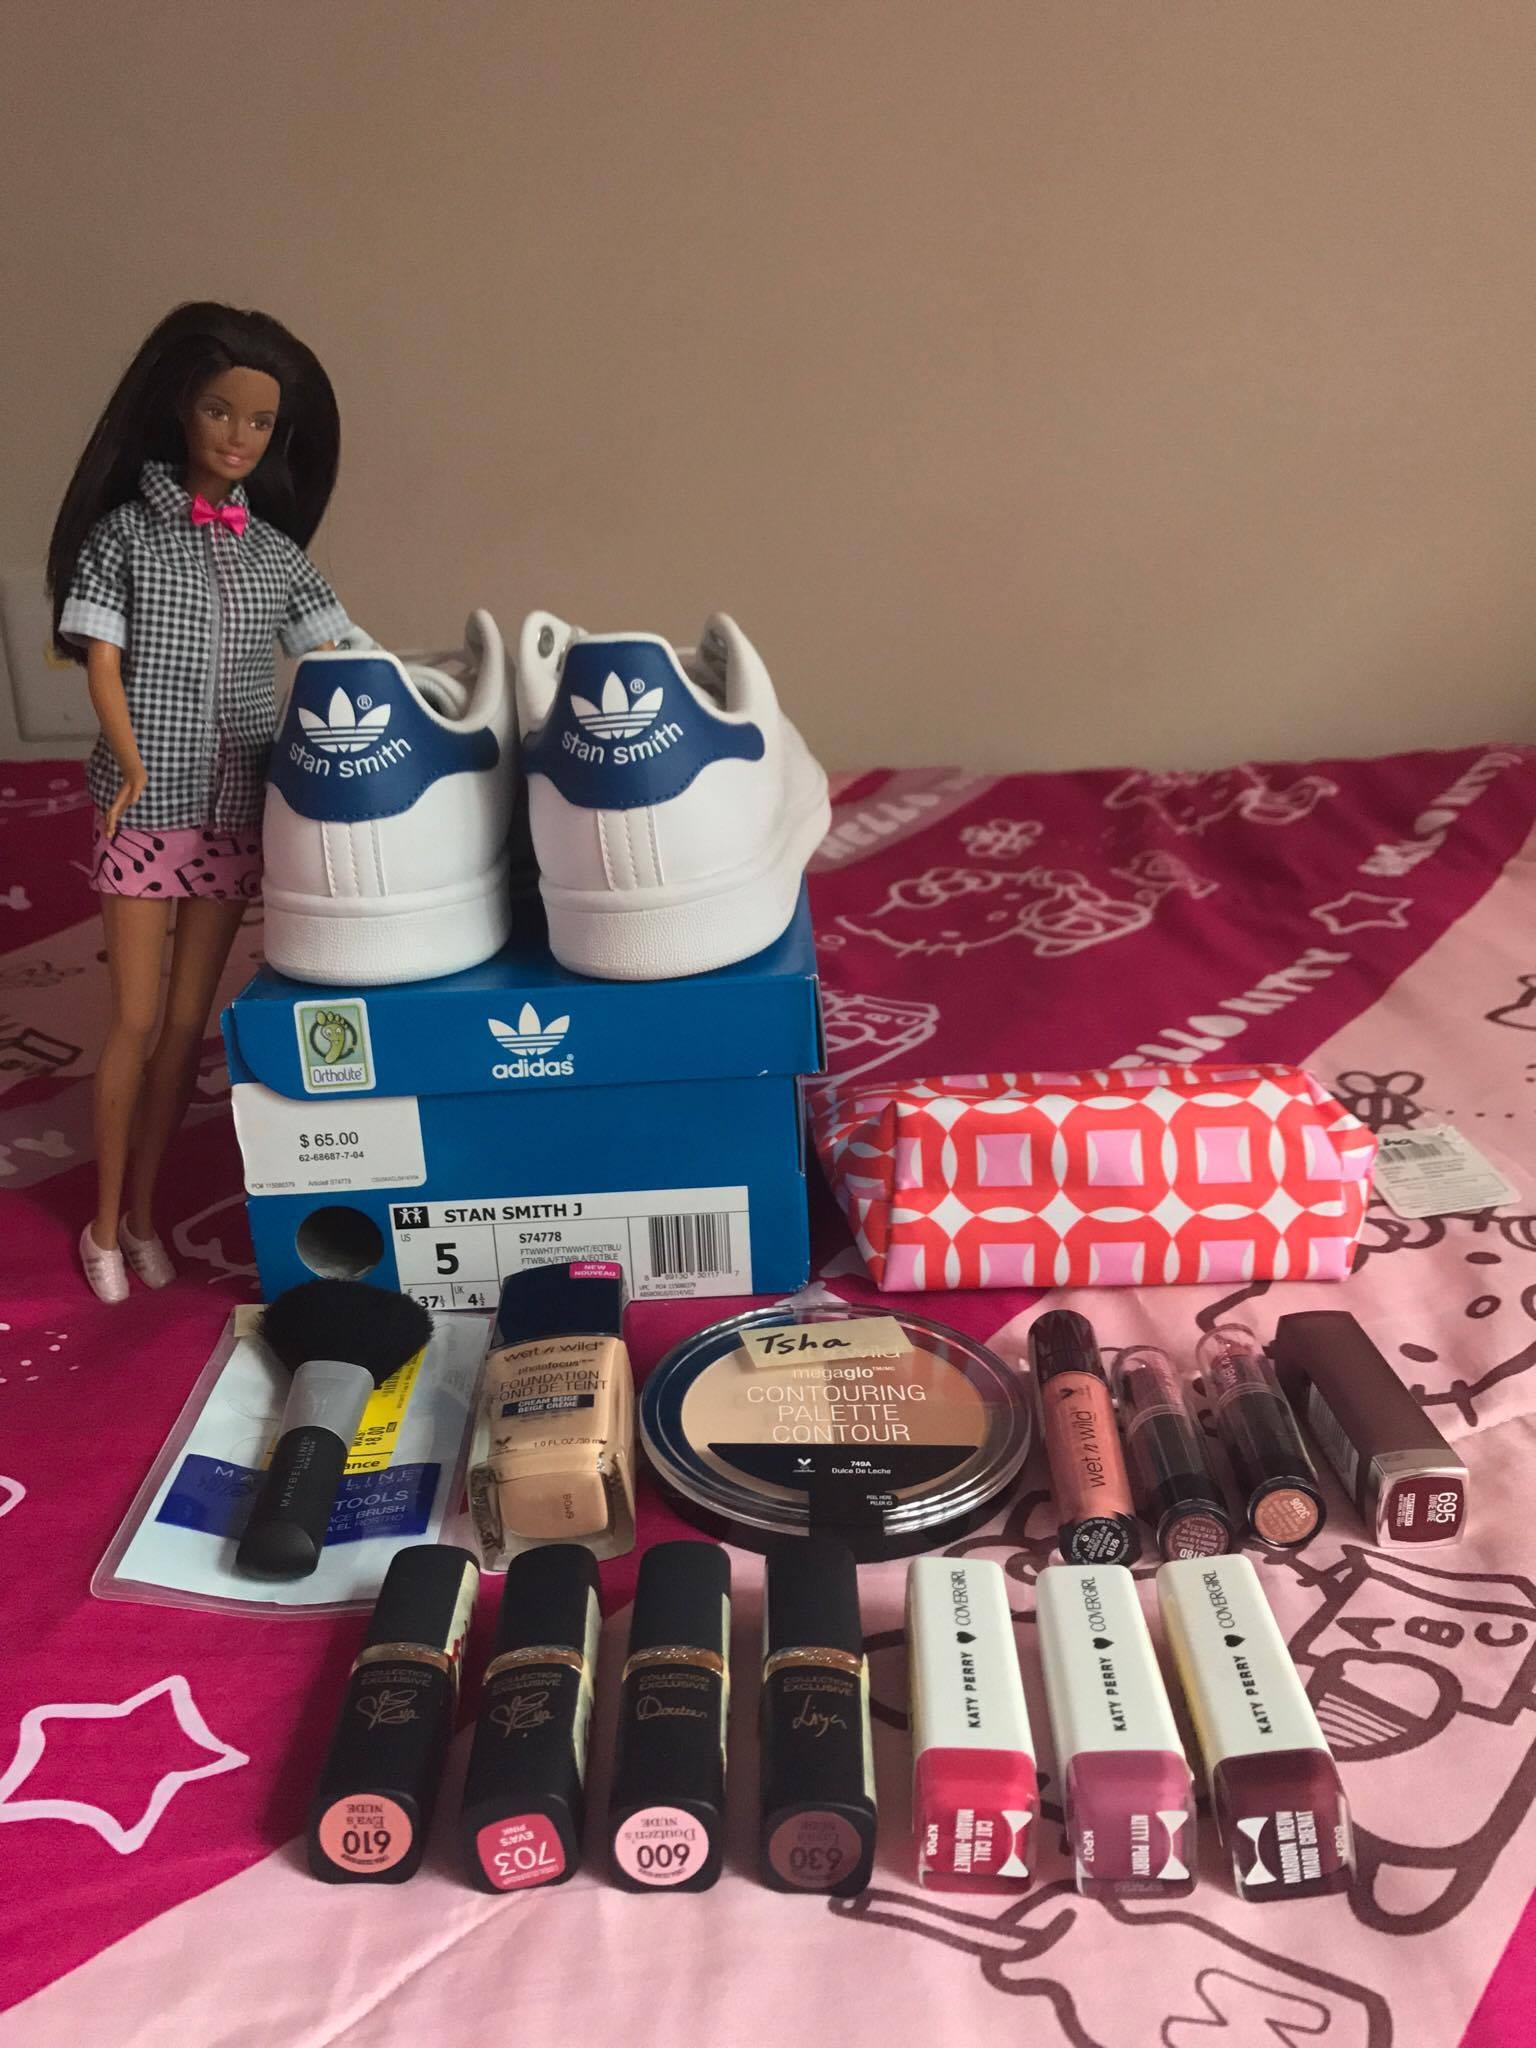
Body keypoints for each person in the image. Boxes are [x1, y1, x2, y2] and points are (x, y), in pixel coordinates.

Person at [46, 302, 353, 1302]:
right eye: (221, 411)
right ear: (180, 407)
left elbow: (337, 650)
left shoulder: (273, 553)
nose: (239, 436)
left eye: (260, 421)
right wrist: (129, 759)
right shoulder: (126, 537)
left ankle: (143, 1216)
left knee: (189, 1025)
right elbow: (101, 660)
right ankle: (100, 1224)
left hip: (232, 806)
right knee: (134, 1020)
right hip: (145, 808)